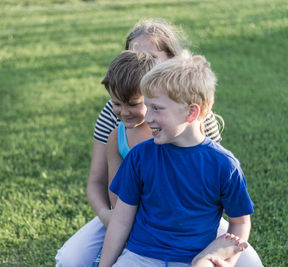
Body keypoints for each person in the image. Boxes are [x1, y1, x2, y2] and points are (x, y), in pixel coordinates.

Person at [55, 19, 262, 267]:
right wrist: (107, 216)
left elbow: (212, 185)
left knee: (249, 262)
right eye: (135, 55)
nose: (145, 64)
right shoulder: (117, 114)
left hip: (192, 218)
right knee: (70, 259)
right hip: (131, 217)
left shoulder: (197, 119)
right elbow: (103, 189)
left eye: (151, 56)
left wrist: (221, 253)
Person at [99, 55, 254, 266]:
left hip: (191, 258)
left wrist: (228, 259)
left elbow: (240, 222)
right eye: (147, 106)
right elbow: (120, 221)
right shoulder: (140, 157)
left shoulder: (224, 165)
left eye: (157, 108)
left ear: (191, 113)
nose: (149, 117)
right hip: (140, 256)